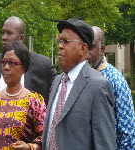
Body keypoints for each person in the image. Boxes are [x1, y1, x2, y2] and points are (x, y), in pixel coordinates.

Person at [42, 19, 116, 150]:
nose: (60, 46)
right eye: (60, 41)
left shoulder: (98, 86)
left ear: (83, 48)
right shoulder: (57, 82)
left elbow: (105, 144)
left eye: (66, 41)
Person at [0, 41, 46, 150]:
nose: (6, 67)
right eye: (4, 62)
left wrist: (30, 147)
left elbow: (46, 136)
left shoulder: (34, 101)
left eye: (12, 63)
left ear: (23, 68)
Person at [0, 16, 56, 105]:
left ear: (21, 38)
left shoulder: (42, 65)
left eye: (9, 33)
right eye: (3, 33)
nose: (4, 37)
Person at [88, 26, 135, 149]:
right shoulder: (78, 76)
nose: (86, 51)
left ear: (102, 49)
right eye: (84, 45)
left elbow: (128, 130)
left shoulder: (116, 81)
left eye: (91, 47)